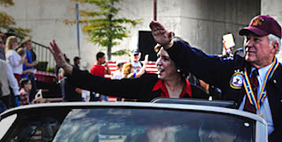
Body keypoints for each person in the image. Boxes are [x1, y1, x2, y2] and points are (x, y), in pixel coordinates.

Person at [149, 16, 282, 142]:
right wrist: (170, 45)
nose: (248, 44)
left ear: (274, 46)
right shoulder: (232, 69)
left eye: (256, 40)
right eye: (247, 39)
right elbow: (201, 62)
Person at [50, 40, 209, 101]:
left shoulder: (198, 96)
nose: (158, 63)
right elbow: (106, 85)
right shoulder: (146, 83)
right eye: (158, 57)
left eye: (165, 59)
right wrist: (67, 68)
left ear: (181, 65)